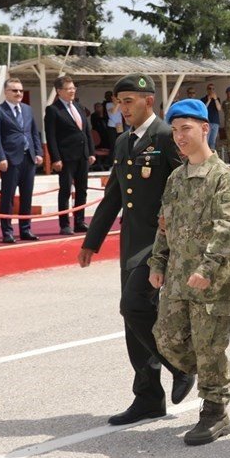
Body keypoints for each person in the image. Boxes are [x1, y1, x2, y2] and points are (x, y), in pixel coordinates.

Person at [80, 74, 193, 425]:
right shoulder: (124, 142)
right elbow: (114, 195)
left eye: (128, 101)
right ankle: (147, 397)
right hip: (131, 244)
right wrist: (91, 241)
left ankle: (181, 364)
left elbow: (188, 188)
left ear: (149, 101)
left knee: (133, 305)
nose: (121, 108)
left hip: (161, 245)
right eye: (118, 101)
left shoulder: (166, 136)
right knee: (132, 321)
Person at [148, 98, 230, 445]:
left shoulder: (223, 178)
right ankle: (222, 371)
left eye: (185, 129)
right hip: (177, 277)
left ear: (205, 129)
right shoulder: (176, 178)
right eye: (174, 130)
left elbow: (226, 227)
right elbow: (164, 226)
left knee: (208, 345)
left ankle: (215, 413)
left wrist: (206, 268)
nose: (179, 136)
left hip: (214, 281)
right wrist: (157, 264)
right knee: (167, 340)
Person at [0, 78, 44, 243]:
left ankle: (26, 229)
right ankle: (7, 232)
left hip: (29, 158)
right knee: (8, 197)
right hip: (10, 160)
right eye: (14, 90)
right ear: (6, 92)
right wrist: (1, 157)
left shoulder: (27, 109)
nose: (18, 93)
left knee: (27, 196)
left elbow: (34, 132)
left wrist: (38, 152)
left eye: (20, 90)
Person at [44, 75, 95, 235]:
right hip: (66, 157)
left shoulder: (79, 107)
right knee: (65, 190)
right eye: (69, 88)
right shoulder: (53, 110)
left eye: (73, 88)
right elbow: (50, 136)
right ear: (59, 91)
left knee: (82, 189)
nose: (72, 91)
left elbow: (86, 131)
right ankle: (64, 224)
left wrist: (91, 152)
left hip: (82, 155)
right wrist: (55, 158)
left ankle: (80, 221)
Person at [203, 83, 222, 151]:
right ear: (207, 90)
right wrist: (208, 100)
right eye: (210, 88)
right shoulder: (203, 99)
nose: (211, 90)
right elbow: (203, 109)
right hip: (207, 122)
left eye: (213, 89)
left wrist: (215, 99)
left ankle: (212, 157)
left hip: (215, 123)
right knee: (206, 141)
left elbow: (219, 108)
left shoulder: (217, 99)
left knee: (212, 142)